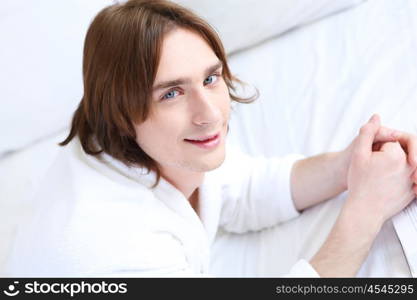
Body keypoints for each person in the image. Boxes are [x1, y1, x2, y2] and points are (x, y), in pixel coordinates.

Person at [4, 0, 417, 277]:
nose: (210, 113)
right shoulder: (115, 251)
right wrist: (365, 214)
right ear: (122, 113)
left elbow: (246, 189)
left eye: (210, 77)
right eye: (171, 93)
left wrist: (352, 165)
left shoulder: (158, 143)